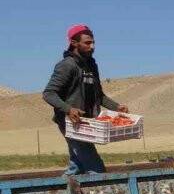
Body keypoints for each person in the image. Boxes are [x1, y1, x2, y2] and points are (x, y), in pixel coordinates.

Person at [42, 24, 129, 175]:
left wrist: (116, 107)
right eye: (87, 43)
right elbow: (49, 93)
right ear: (74, 43)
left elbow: (99, 96)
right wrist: (68, 109)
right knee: (95, 168)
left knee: (77, 167)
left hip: (87, 122)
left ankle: (56, 192)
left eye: (93, 42)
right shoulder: (67, 66)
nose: (92, 46)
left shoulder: (91, 65)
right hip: (71, 123)